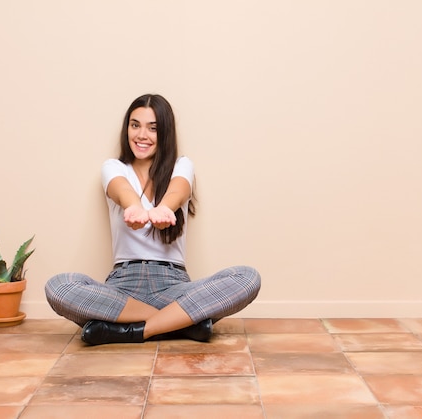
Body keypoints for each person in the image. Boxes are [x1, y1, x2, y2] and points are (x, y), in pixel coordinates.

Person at [45, 94, 261, 345]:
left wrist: (164, 209)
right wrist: (135, 208)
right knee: (59, 286)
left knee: (247, 277)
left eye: (153, 128)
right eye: (135, 125)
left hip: (173, 286)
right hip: (123, 289)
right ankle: (180, 324)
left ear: (165, 133)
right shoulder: (114, 167)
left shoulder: (182, 165)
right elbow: (122, 190)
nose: (141, 135)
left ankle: (133, 331)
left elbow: (178, 191)